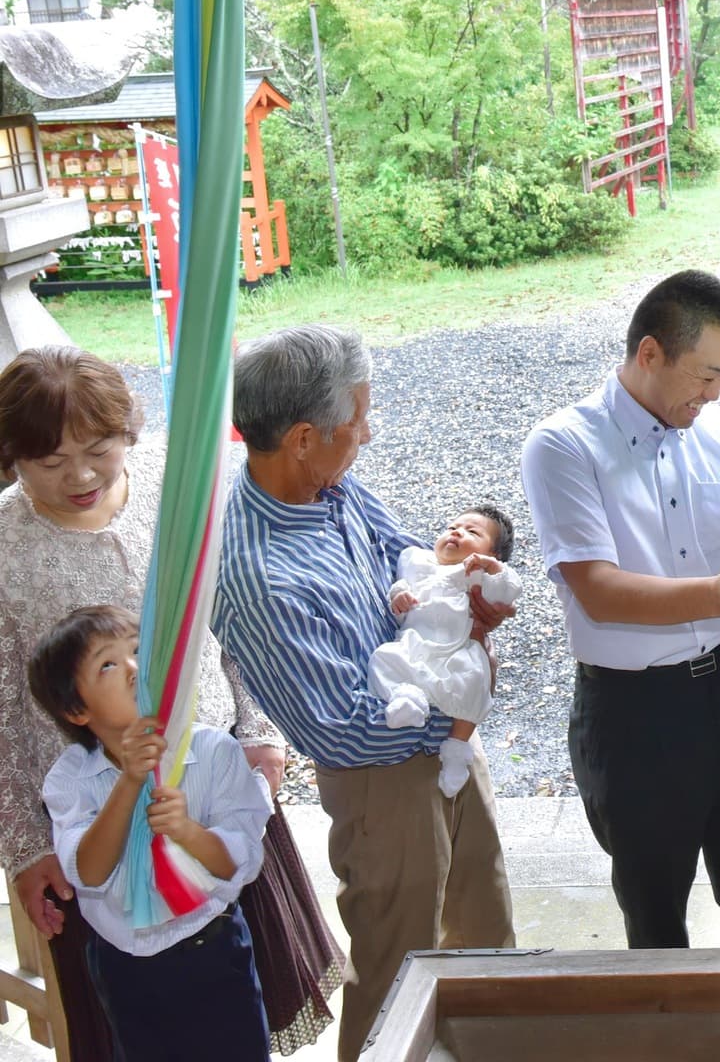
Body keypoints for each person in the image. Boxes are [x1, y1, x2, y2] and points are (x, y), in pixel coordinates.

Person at [0, 346, 341, 1060]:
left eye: (98, 450)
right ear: (11, 459)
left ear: (129, 434)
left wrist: (259, 729)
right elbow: (5, 707)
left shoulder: (177, 485)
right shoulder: (7, 545)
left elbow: (234, 614)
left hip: (210, 776)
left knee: (237, 984)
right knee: (135, 1017)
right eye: (50, 463)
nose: (82, 476)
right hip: (97, 812)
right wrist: (26, 849)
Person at [214, 325, 515, 1062]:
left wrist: (460, 605)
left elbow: (401, 557)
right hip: (384, 782)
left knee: (486, 940)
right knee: (396, 978)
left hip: (439, 739)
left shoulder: (331, 485)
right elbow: (344, 729)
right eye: (358, 423)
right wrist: (459, 693)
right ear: (304, 438)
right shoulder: (258, 572)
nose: (369, 435)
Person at [521, 269, 720, 949]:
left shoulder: (717, 433)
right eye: (707, 376)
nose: (716, 394)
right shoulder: (564, 445)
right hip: (634, 715)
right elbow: (596, 588)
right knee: (655, 913)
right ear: (649, 354)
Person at [30, 605, 272, 1061]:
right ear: (76, 709)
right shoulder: (70, 780)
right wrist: (129, 782)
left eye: (139, 651)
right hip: (127, 967)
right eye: (108, 663)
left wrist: (188, 832)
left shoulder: (213, 749)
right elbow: (88, 872)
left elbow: (241, 863)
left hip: (215, 949)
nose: (134, 669)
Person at [368, 504, 523, 797]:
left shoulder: (478, 574)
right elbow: (400, 582)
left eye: (472, 532)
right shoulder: (417, 559)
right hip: (415, 641)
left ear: (492, 554)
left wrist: (495, 571)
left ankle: (457, 748)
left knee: (476, 676)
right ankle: (405, 697)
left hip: (458, 647)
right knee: (383, 659)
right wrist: (398, 595)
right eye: (453, 527)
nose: (457, 532)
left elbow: (509, 593)